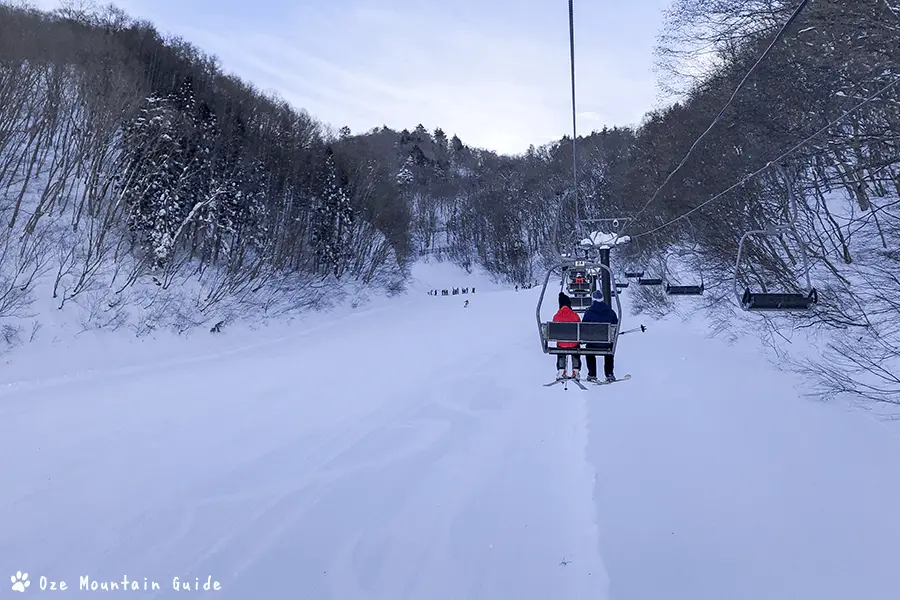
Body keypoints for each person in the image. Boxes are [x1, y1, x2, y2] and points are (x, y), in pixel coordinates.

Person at [582, 290, 618, 382]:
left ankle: (592, 374)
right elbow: (616, 325)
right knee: (609, 351)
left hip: (592, 344)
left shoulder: (589, 312)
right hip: (606, 343)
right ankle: (609, 374)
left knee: (589, 352)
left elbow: (584, 327)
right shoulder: (611, 312)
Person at [552, 292, 581, 379]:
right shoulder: (575, 315)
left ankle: (561, 369)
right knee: (576, 348)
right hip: (574, 344)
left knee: (560, 348)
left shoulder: (556, 316)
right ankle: (575, 370)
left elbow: (554, 331)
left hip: (561, 344)